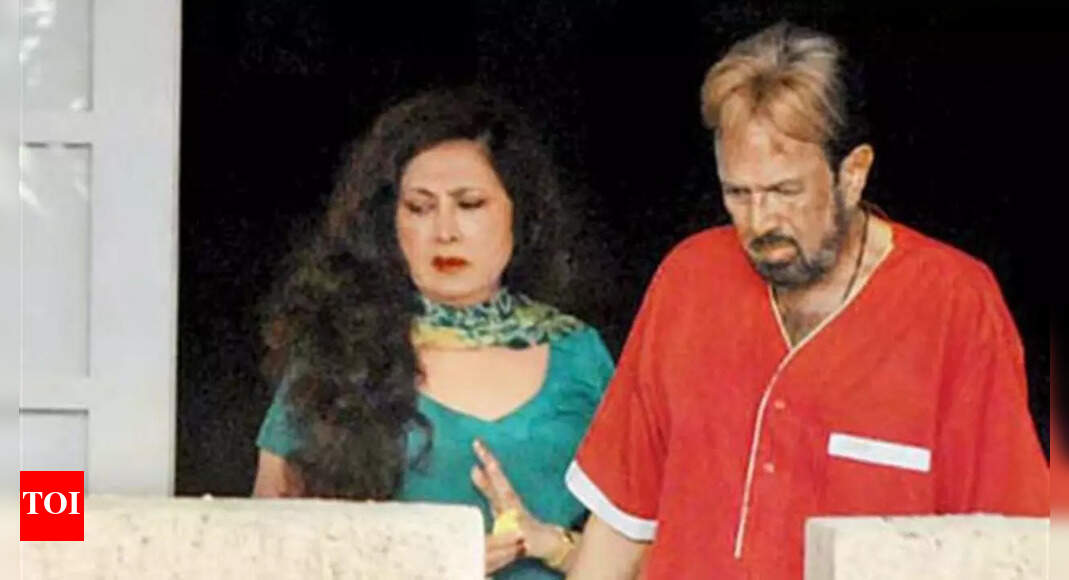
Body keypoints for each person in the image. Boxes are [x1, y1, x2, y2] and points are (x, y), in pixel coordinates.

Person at [564, 22, 1049, 579]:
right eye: (737, 193)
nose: (760, 221)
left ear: (853, 173)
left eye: (785, 191)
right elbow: (619, 526)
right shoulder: (688, 281)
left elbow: (1009, 551)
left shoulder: (954, 303)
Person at [252, 88, 614, 579]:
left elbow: (655, 538)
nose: (445, 231)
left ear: (520, 213)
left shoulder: (578, 353)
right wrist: (426, 562)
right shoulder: (338, 352)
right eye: (420, 208)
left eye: (470, 204)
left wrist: (555, 546)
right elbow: (269, 546)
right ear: (389, 222)